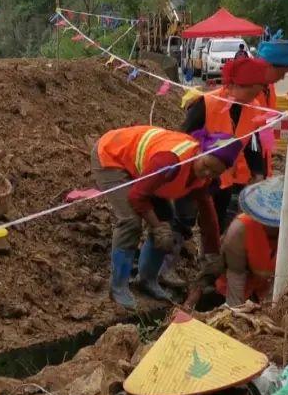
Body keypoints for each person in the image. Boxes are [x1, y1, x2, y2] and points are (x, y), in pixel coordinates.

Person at [92, 126, 243, 307]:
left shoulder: (204, 178)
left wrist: (213, 254)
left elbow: (208, 216)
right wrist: (157, 226)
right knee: (131, 222)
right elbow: (137, 196)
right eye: (206, 166)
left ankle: (147, 280)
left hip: (145, 171)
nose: (207, 173)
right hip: (113, 156)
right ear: (199, 151)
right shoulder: (171, 160)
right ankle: (118, 287)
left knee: (168, 221)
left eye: (215, 172)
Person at [181, 56, 274, 231]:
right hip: (196, 172)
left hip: (223, 178)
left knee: (216, 222)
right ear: (233, 85)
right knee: (184, 220)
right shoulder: (207, 103)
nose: (255, 97)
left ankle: (210, 255)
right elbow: (183, 137)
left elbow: (252, 144)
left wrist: (258, 173)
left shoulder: (253, 107)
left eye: (257, 93)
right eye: (252, 92)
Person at [213, 178, 288, 312]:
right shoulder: (239, 229)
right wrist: (236, 314)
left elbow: (285, 272)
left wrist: (273, 311)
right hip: (232, 288)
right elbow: (236, 275)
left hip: (265, 287)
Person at [256, 39, 288, 111]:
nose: (283, 78)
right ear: (268, 66)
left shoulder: (269, 87)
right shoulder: (245, 91)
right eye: (281, 73)